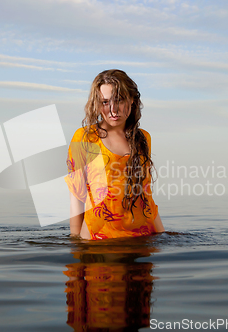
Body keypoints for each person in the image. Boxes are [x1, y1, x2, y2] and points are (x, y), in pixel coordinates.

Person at [65, 69, 165, 240]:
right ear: (96, 104)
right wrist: (76, 243)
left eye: (119, 100)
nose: (113, 109)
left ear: (132, 100)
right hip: (98, 241)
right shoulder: (84, 138)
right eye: (105, 102)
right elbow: (76, 198)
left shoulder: (143, 138)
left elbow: (146, 196)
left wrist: (162, 235)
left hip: (143, 238)